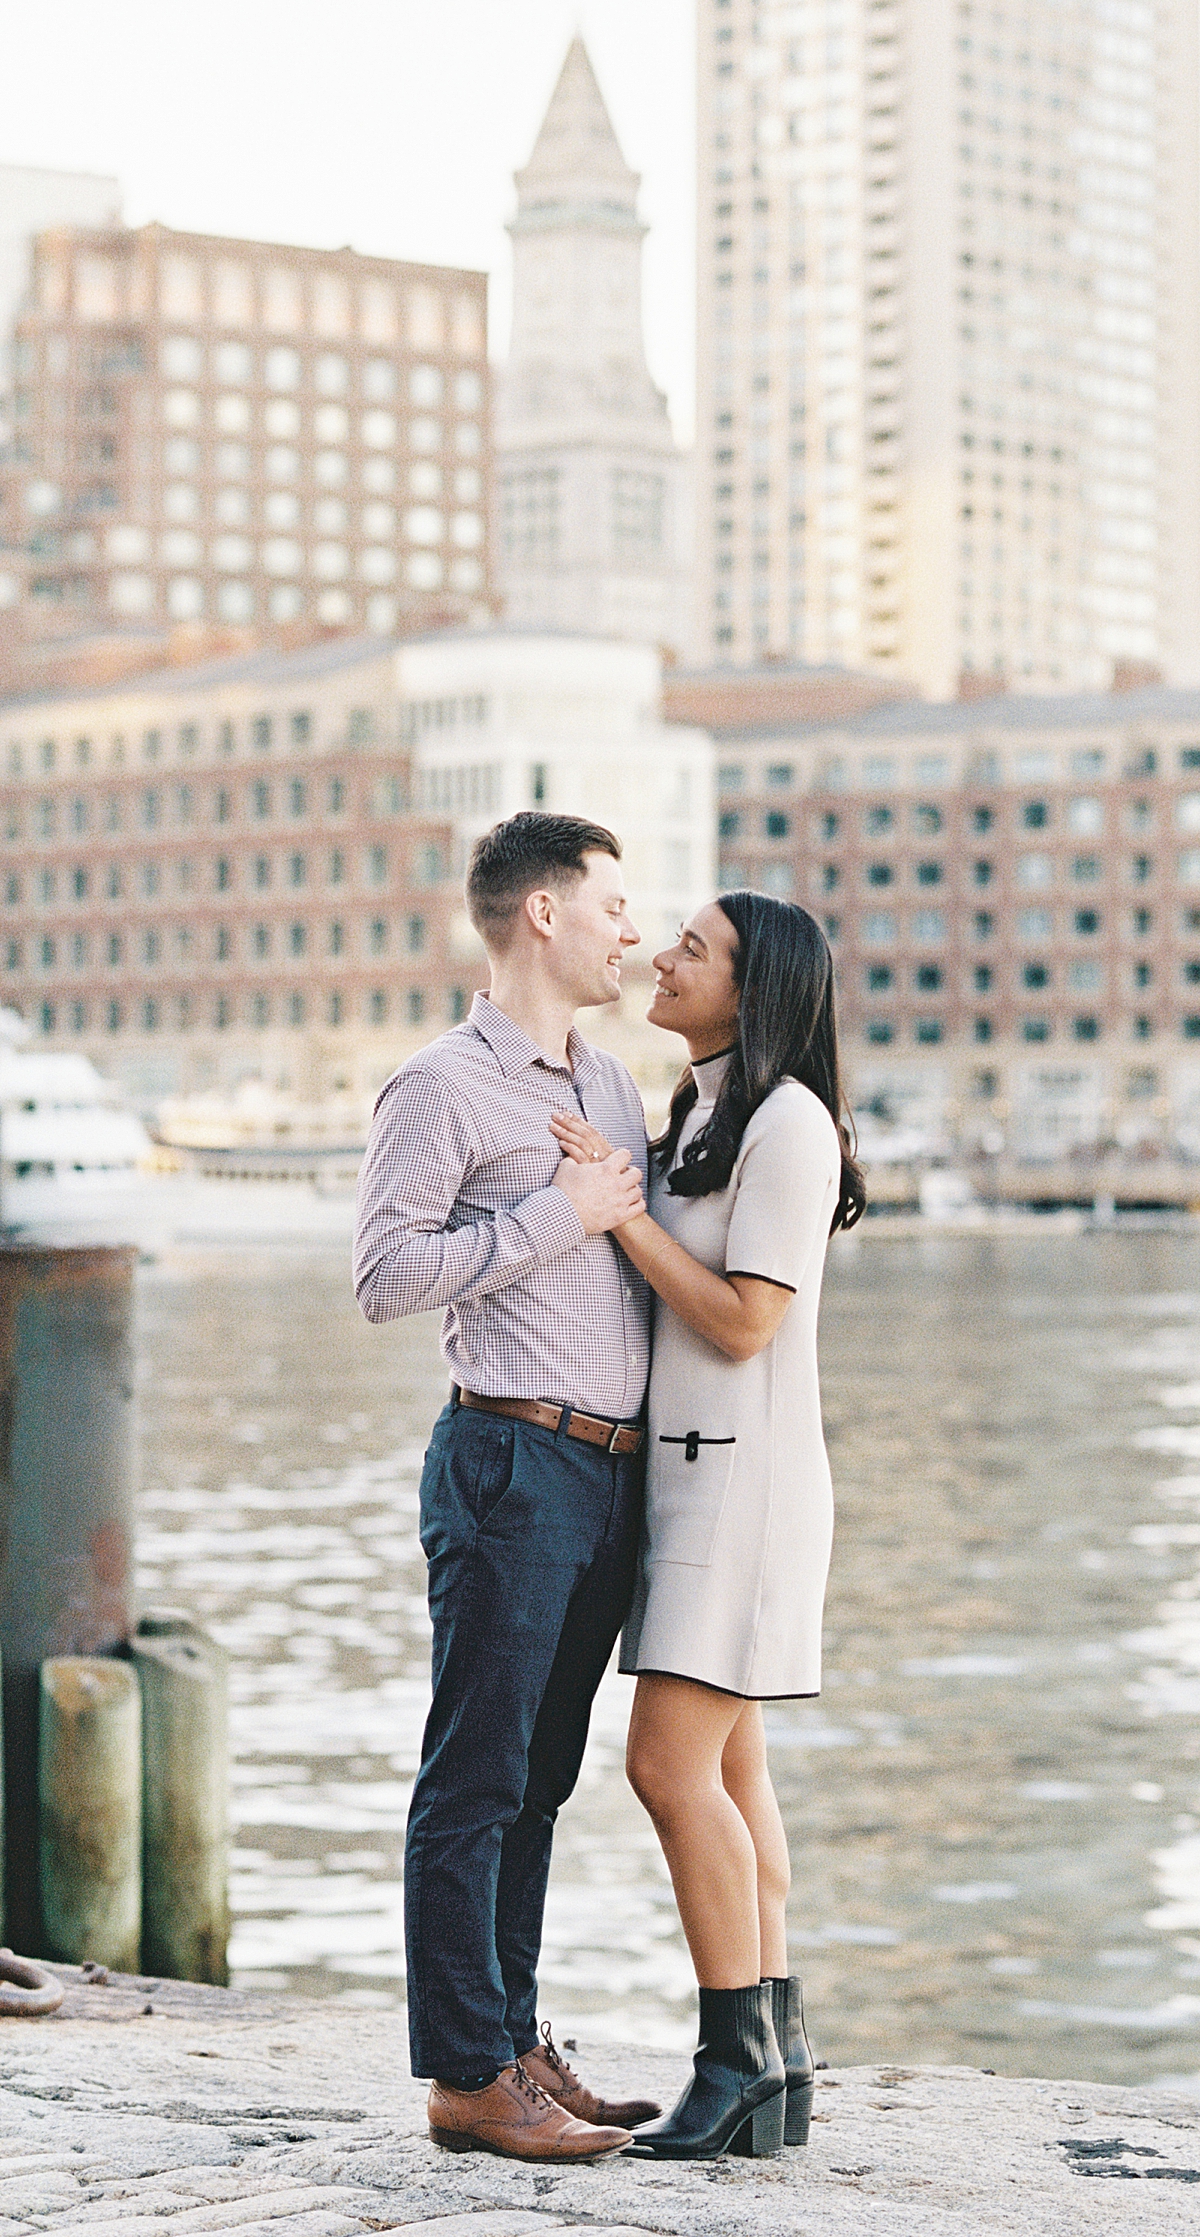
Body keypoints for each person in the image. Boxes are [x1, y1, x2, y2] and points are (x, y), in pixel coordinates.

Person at [353, 811, 665, 2163]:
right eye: (611, 902)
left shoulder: (611, 1088)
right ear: (542, 913)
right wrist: (561, 1216)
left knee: (540, 1777)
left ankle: (514, 2040)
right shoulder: (440, 1085)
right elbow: (384, 1276)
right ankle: (464, 2075)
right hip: (507, 1458)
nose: (629, 929)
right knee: (472, 1775)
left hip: (605, 1473)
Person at [547, 888, 865, 2161]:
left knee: (667, 1764)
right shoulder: (708, 1110)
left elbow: (745, 1319)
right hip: (695, 1478)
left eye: (694, 948)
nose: (662, 958)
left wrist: (617, 1214)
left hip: (747, 1484)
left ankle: (732, 2055)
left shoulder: (789, 1124)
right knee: (733, 1773)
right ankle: (774, 2064)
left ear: (759, 985)